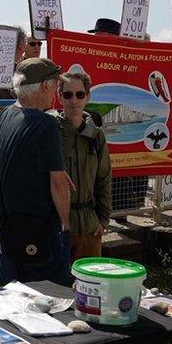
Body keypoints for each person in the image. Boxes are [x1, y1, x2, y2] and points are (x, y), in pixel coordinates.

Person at [0, 57, 114, 344]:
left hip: (8, 231)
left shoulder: (1, 119)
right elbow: (59, 184)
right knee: (57, 312)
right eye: (57, 87)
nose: (60, 95)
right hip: (42, 233)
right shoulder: (43, 125)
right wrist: (65, 225)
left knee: (8, 309)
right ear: (45, 88)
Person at [87, 18, 149, 220]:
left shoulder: (125, 59)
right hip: (97, 123)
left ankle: (120, 210)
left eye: (100, 35)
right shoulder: (94, 56)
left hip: (115, 127)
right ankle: (108, 210)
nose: (96, 38)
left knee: (119, 168)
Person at [57, 71, 112, 259]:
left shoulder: (97, 136)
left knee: (90, 286)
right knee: (57, 288)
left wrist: (103, 220)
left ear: (87, 97)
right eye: (67, 94)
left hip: (90, 230)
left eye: (80, 94)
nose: (74, 100)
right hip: (59, 230)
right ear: (59, 97)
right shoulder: (50, 134)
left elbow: (103, 179)